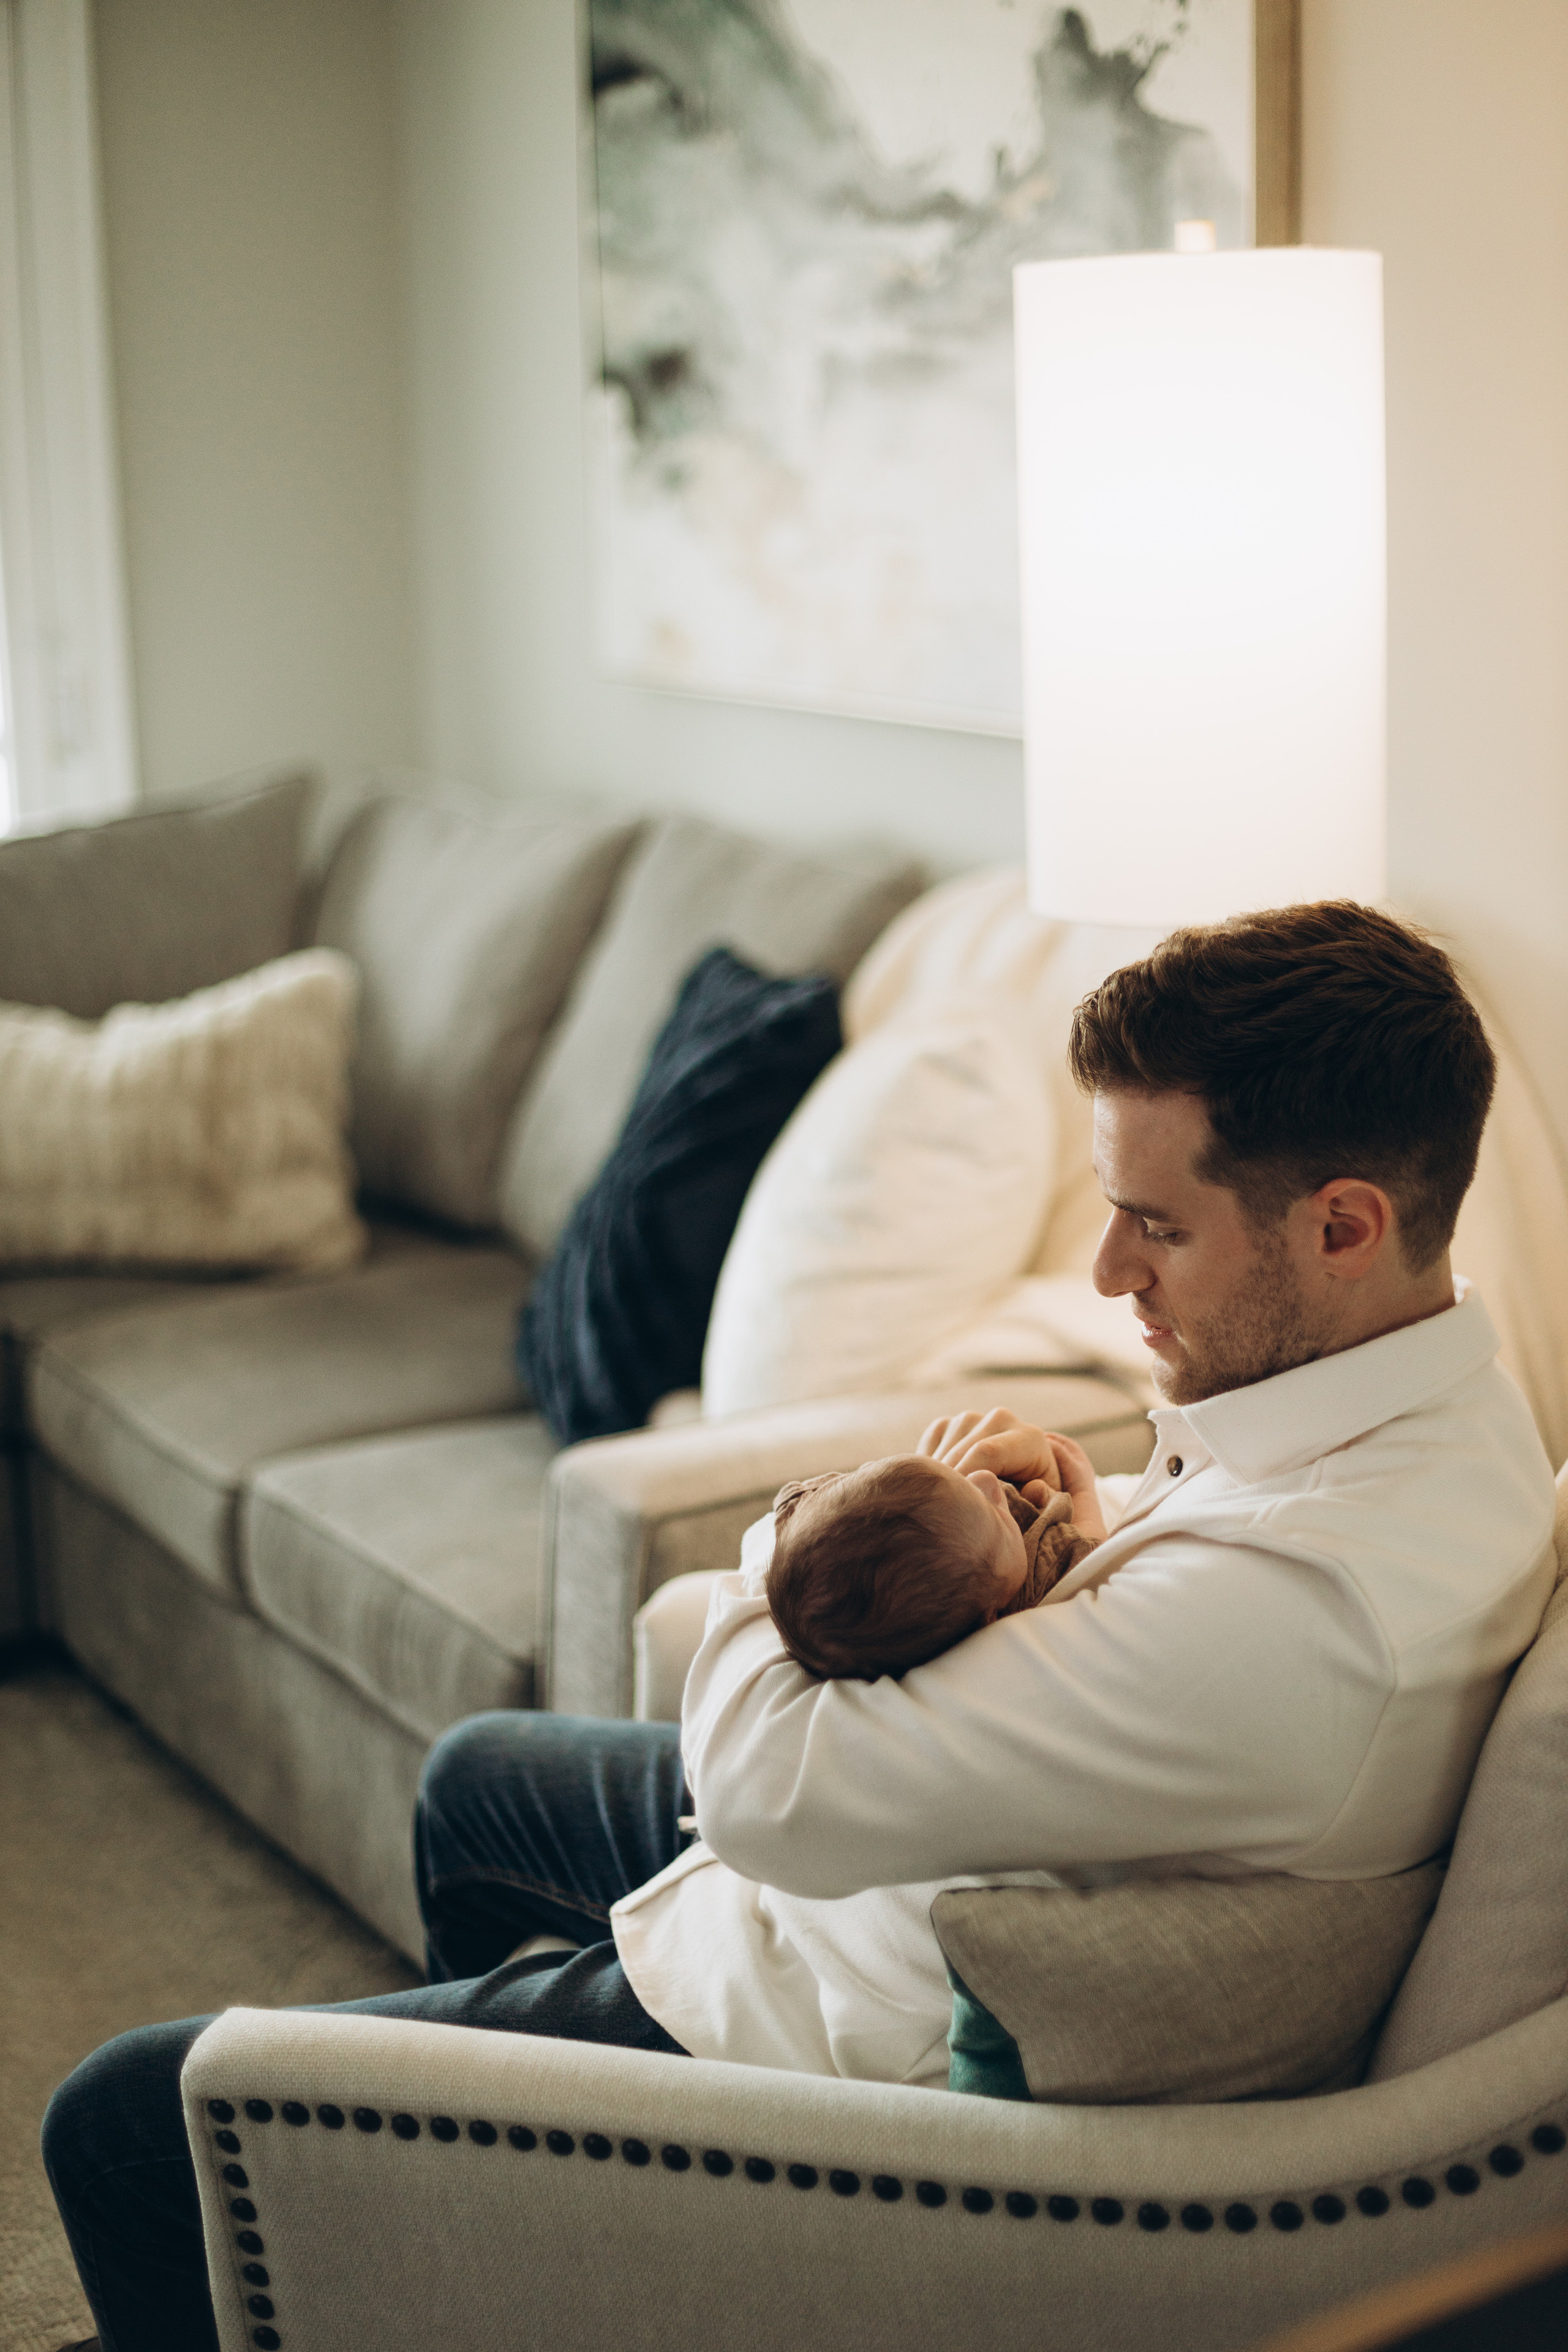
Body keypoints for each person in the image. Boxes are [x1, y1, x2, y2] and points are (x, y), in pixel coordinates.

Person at [43, 901, 1558, 2352]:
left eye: (1153, 1225)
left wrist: (825, 1514)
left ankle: (534, 2167)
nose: (1106, 1273)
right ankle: (477, 2259)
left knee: (122, 2121)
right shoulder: (1435, 1401)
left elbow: (768, 1794)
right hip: (919, 1871)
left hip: (822, 2028)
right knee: (476, 1776)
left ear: (1343, 1224)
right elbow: (1187, 1562)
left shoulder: (1297, 1621)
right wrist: (1072, 1513)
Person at [765, 1446, 1097, 1679]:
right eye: (996, 1516)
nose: (985, 1479)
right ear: (988, 1621)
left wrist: (933, 1482)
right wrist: (1083, 1491)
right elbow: (1093, 1550)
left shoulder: (814, 1526)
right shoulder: (1040, 1577)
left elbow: (801, 1506)